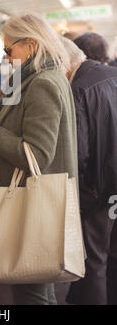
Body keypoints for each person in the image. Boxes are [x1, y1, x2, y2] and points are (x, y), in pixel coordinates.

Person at [0, 13, 78, 305]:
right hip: (34, 197)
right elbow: (21, 124)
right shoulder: (34, 77)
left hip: (31, 199)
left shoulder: (43, 83)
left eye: (9, 50)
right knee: (37, 285)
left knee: (31, 290)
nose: (6, 56)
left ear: (32, 45)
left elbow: (37, 152)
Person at [62, 37, 117, 305]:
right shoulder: (113, 74)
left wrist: (80, 196)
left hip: (99, 189)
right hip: (112, 184)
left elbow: (80, 153)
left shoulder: (78, 89)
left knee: (93, 261)